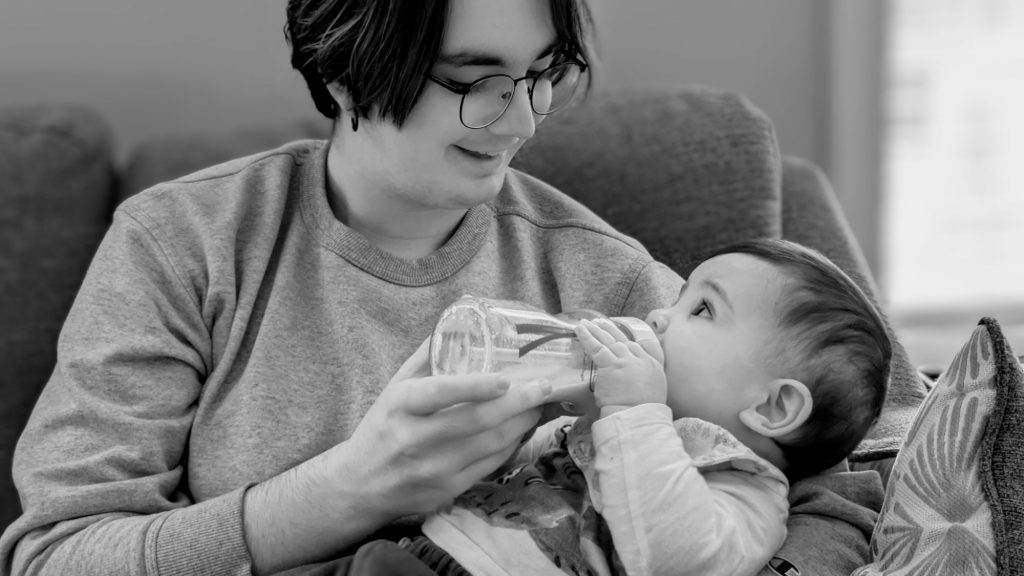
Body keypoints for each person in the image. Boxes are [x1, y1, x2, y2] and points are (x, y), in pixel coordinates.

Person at [0, 1, 886, 575]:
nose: (522, 118)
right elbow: (58, 555)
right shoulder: (185, 242)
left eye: (542, 73)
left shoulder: (606, 276)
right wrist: (348, 489)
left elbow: (851, 467)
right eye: (472, 81)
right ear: (343, 67)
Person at [398, 239, 891, 576]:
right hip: (411, 554)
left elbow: (674, 559)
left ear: (774, 406)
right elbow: (497, 478)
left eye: (702, 309)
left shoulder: (746, 491)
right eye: (678, 298)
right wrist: (526, 419)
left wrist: (634, 412)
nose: (657, 315)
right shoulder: (607, 419)